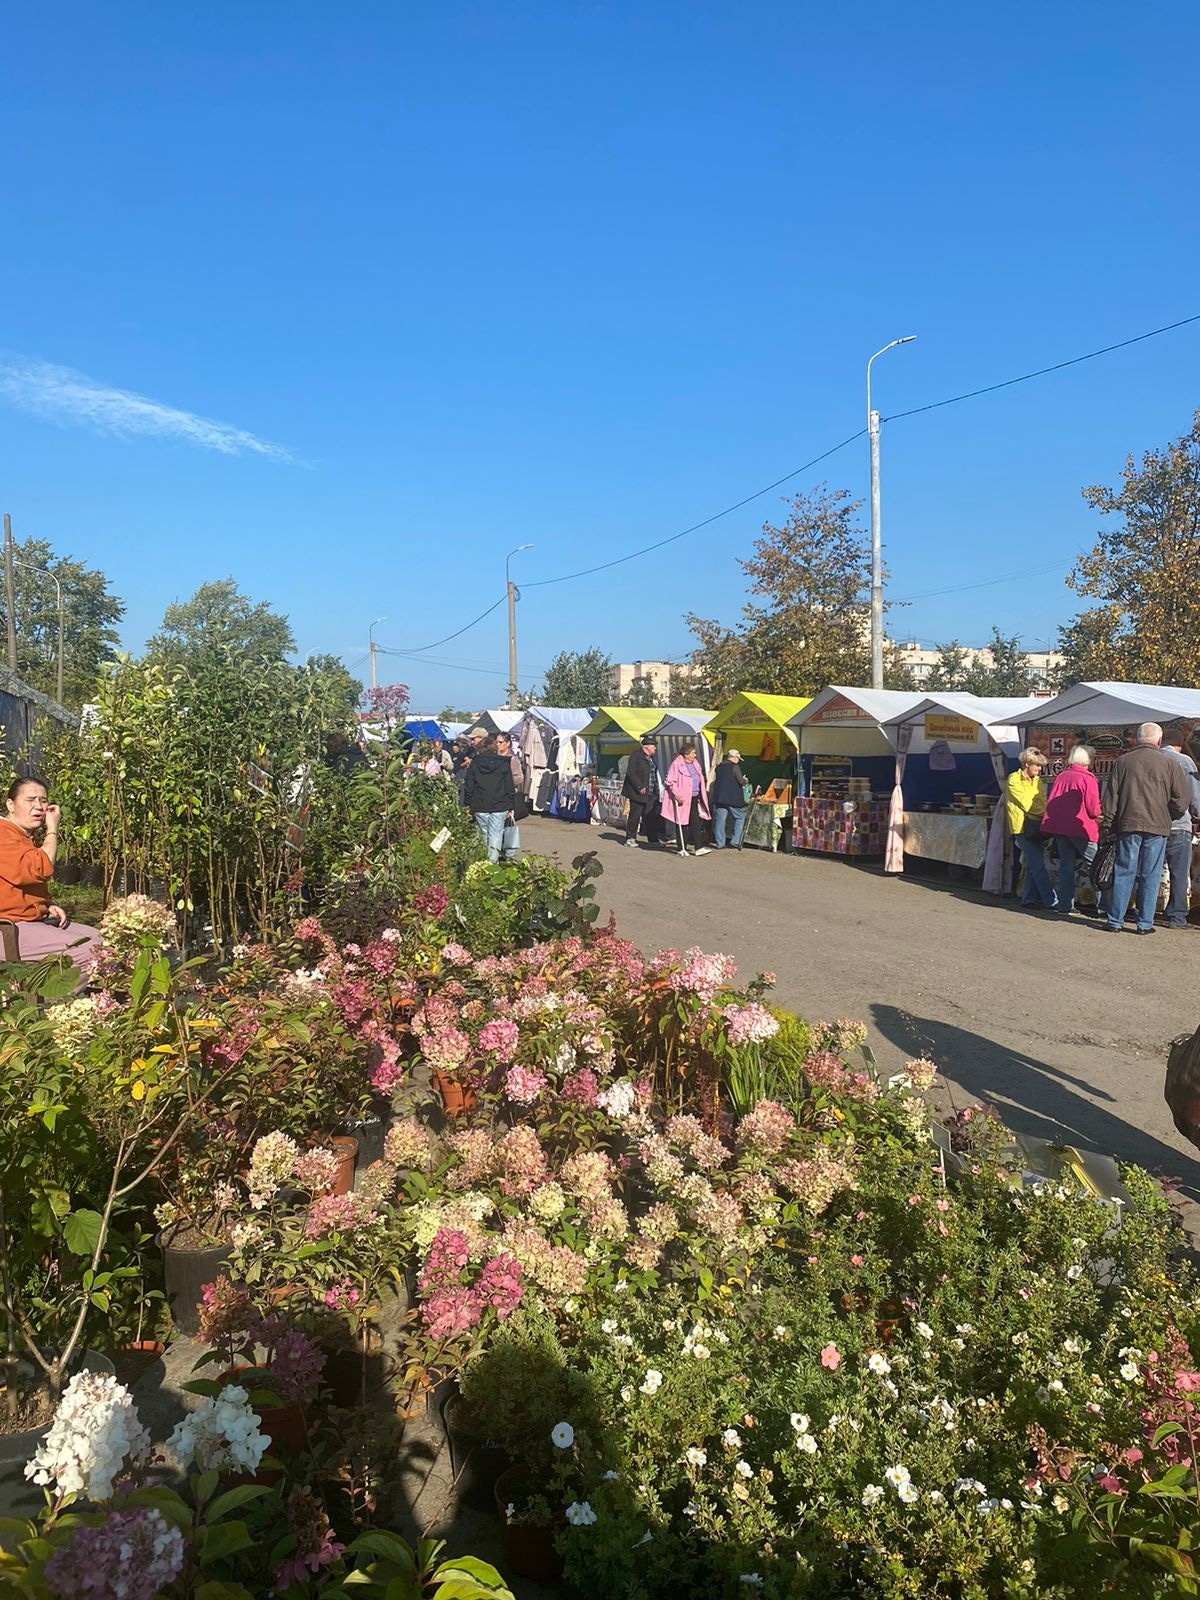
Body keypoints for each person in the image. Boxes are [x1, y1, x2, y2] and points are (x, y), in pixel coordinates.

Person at [0, 776, 102, 971]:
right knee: (91, 951)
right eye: (30, 800)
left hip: (29, 921)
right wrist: (52, 830)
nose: (39, 806)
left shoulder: (19, 835)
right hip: (7, 929)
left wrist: (46, 905)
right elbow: (38, 870)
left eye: (43, 800)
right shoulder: (2, 834)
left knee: (101, 939)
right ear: (11, 805)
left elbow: (16, 883)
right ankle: (57, 1000)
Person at [1102, 722, 1190, 935]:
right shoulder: (1169, 764)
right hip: (1158, 825)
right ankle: (1144, 924)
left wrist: (1108, 824)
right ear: (1159, 741)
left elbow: (1111, 797)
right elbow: (1182, 799)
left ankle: (1115, 920)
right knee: (1150, 874)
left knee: (1124, 871)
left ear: (1136, 739)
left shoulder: (1123, 762)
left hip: (1128, 823)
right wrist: (1169, 815)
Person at [1041, 746, 1102, 914]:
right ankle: (1103, 905)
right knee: (1096, 866)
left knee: (1066, 867)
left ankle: (1065, 905)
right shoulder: (1088, 778)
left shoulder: (1062, 776)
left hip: (1060, 827)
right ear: (1088, 759)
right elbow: (1093, 810)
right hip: (1081, 828)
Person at [1005, 748, 1056, 911]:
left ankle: (1028, 898)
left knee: (1031, 864)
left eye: (1040, 766)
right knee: (1037, 865)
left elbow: (1042, 801)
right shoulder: (1013, 779)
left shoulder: (1037, 780)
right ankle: (1051, 901)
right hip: (1021, 828)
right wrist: (1046, 814)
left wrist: (1045, 811)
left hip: (1036, 827)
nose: (1039, 769)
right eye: (1037, 765)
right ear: (1026, 764)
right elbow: (1027, 804)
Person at [1160, 736, 1200, 929]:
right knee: (1179, 872)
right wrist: (1198, 816)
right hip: (1179, 824)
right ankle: (1176, 916)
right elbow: (1194, 796)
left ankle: (1145, 912)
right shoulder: (1184, 761)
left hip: (1152, 824)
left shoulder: (1151, 757)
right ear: (1180, 744)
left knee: (1149, 871)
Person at [463, 736, 517, 864]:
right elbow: (509, 785)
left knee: (484, 834)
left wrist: (467, 804)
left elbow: (469, 786)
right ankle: (492, 864)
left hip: (480, 804)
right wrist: (511, 805)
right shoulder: (504, 763)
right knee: (496, 834)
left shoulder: (474, 763)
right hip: (500, 804)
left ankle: (485, 862)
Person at [661, 742, 712, 858]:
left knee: (695, 821)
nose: (695, 755)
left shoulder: (695, 763)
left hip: (694, 796)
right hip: (682, 798)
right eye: (693, 753)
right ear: (686, 754)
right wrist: (677, 795)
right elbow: (670, 781)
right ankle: (681, 847)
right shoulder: (676, 764)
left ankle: (698, 847)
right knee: (682, 821)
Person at [621, 735, 663, 847]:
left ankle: (653, 839)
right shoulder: (636, 756)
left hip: (651, 792)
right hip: (638, 792)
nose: (655, 748)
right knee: (635, 815)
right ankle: (630, 838)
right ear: (647, 746)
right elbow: (631, 773)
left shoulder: (650, 758)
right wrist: (639, 786)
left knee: (650, 816)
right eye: (654, 746)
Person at [493, 732, 526, 860]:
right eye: (496, 742)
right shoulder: (495, 757)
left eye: (500, 742)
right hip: (495, 796)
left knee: (507, 827)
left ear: (508, 744)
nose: (498, 744)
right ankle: (498, 851)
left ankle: (508, 854)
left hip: (508, 796)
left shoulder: (512, 759)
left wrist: (506, 781)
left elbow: (519, 778)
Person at [710, 747, 749, 851]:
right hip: (731, 798)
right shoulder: (735, 767)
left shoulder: (719, 767)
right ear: (735, 757)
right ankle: (735, 841)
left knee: (720, 820)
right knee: (740, 817)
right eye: (738, 758)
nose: (738, 761)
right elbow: (740, 781)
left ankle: (720, 843)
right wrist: (745, 780)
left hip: (719, 797)